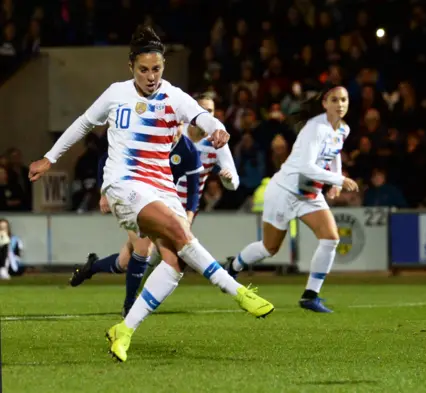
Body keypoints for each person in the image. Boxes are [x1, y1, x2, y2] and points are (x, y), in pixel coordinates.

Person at [28, 26, 274, 363]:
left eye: (156, 69)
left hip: (162, 187)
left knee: (174, 262)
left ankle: (124, 330)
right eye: (143, 69)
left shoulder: (174, 96)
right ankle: (237, 290)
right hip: (124, 184)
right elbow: (84, 124)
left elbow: (202, 116)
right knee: (178, 234)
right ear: (131, 67)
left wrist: (218, 130)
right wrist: (50, 157)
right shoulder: (116, 94)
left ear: (163, 67)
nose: (151, 76)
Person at [226, 85, 359, 313]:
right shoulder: (315, 128)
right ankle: (233, 266)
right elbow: (307, 167)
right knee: (269, 248)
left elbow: (334, 154)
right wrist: (339, 179)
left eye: (344, 100)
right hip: (284, 191)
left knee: (330, 238)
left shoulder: (343, 129)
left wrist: (335, 183)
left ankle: (310, 295)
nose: (340, 104)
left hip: (309, 194)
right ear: (324, 103)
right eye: (334, 100)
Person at [68, 123, 203, 319]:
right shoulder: (146, 138)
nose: (175, 129)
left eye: (179, 124)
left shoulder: (188, 151)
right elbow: (106, 158)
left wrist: (189, 216)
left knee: (124, 262)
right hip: (129, 195)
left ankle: (92, 266)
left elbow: (193, 190)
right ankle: (129, 306)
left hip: (158, 203)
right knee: (143, 249)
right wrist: (103, 191)